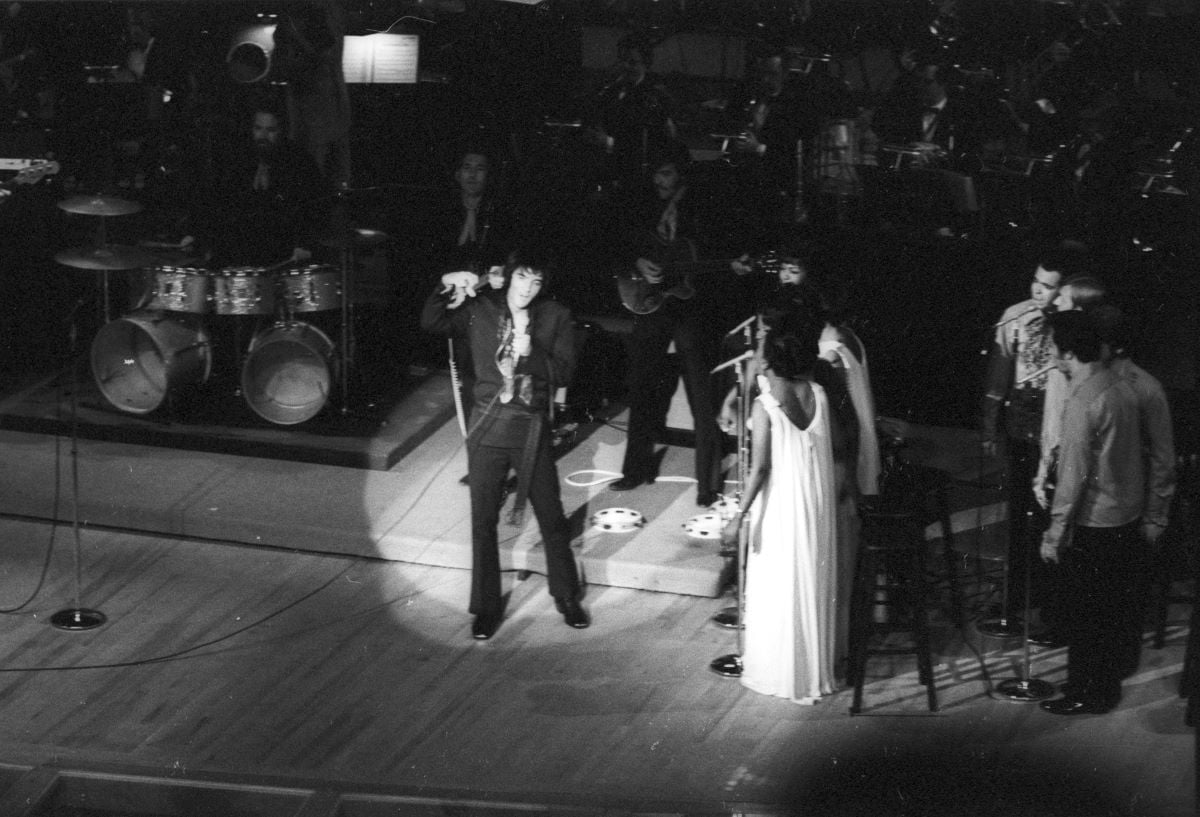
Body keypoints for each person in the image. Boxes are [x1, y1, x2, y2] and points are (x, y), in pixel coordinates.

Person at [420, 251, 588, 640]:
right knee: (483, 521)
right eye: (522, 279)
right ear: (509, 278)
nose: (528, 288)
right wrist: (445, 283)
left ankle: (566, 596)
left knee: (550, 514)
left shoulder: (555, 316)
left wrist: (533, 356)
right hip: (487, 428)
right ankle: (486, 607)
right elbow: (432, 321)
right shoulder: (481, 310)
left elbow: (564, 371)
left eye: (536, 282)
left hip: (529, 427)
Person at [1036, 309, 1155, 715]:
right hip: (1125, 516)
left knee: (1087, 616)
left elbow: (1072, 478)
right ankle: (1104, 687)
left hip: (1095, 522)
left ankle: (1087, 693)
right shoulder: (1120, 386)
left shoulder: (1083, 401)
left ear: (1068, 352)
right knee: (1109, 612)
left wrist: (1054, 535)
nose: (1051, 355)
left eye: (1053, 347)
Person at [607, 141, 738, 506]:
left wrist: (724, 267)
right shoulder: (644, 203)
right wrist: (637, 263)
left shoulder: (703, 206)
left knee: (701, 395)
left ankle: (707, 484)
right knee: (642, 386)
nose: (658, 181)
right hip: (653, 305)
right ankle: (635, 469)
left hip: (693, 308)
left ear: (680, 174)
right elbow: (618, 241)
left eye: (665, 174)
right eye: (656, 174)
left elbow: (714, 257)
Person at [720, 313, 840, 703]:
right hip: (815, 501)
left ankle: (782, 673)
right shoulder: (819, 395)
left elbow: (760, 470)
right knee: (806, 577)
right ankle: (808, 672)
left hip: (783, 505)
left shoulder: (766, 405)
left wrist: (738, 518)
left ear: (770, 360)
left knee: (779, 583)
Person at [979, 250, 1072, 627]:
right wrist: (989, 426)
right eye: (1036, 281)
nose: (1039, 290)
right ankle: (1016, 596)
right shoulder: (1014, 317)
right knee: (1020, 512)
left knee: (1054, 514)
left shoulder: (1071, 321)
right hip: (1022, 423)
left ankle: (1051, 603)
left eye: (1048, 286)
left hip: (1060, 427)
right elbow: (997, 376)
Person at [197, 102, 329, 268]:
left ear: (282, 131)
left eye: (271, 130)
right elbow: (218, 203)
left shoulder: (300, 162)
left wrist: (304, 244)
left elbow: (315, 208)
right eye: (258, 128)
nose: (263, 136)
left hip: (283, 253)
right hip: (239, 254)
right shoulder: (239, 158)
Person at [581, 32, 677, 195]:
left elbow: (651, 141)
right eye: (622, 60)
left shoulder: (654, 96)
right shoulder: (611, 91)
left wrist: (608, 142)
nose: (625, 66)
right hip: (610, 170)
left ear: (645, 64)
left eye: (632, 62)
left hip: (638, 178)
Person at [273, 0, 352, 189]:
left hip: (320, 105)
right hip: (313, 105)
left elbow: (325, 53)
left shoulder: (317, 12)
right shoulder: (307, 13)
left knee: (322, 171)